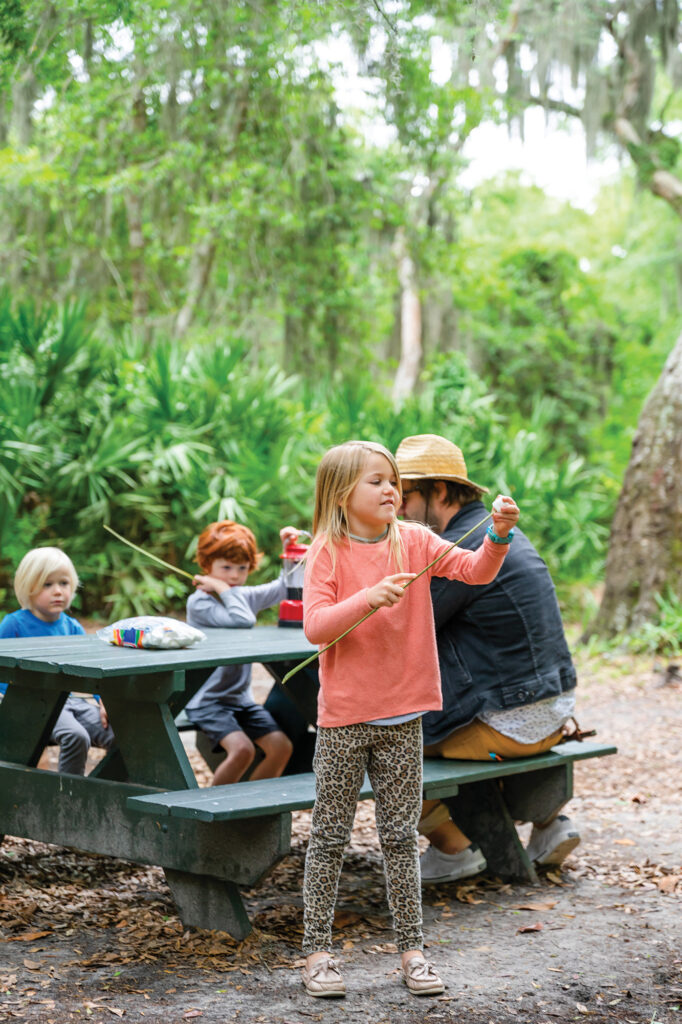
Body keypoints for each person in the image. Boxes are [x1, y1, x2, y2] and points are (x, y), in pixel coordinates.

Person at [300, 440, 519, 999]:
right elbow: (317, 627)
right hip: (344, 721)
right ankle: (318, 955)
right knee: (328, 837)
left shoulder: (416, 541)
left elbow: (475, 571)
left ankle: (413, 952)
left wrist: (496, 535)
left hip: (403, 718)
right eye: (376, 481)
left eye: (394, 480)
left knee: (399, 838)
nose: (391, 489)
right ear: (341, 494)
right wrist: (369, 597)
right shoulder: (327, 552)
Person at [395, 433, 580, 885]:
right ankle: (549, 823)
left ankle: (452, 847)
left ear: (438, 491)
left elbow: (405, 632)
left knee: (371, 741)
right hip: (554, 711)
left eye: (403, 496)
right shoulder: (497, 533)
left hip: (506, 723)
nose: (396, 509)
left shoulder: (460, 547)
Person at [185, 519, 297, 785]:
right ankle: (211, 812)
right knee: (242, 751)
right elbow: (241, 620)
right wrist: (223, 590)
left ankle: (250, 811)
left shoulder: (239, 595)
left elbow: (283, 588)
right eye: (225, 568)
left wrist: (288, 552)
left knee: (281, 747)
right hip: (207, 702)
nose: (234, 576)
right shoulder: (199, 602)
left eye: (242, 568)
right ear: (206, 566)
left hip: (239, 701)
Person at [0, 547, 114, 774]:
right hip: (33, 705)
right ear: (28, 587)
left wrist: (105, 701)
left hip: (71, 702)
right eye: (47, 584)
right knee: (76, 736)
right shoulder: (14, 624)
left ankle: (111, 791)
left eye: (64, 583)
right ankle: (67, 799)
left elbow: (94, 669)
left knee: (124, 734)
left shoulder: (71, 627)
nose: (58, 591)